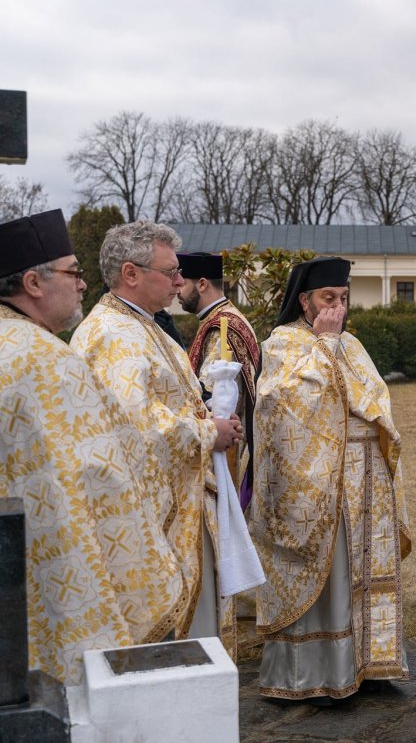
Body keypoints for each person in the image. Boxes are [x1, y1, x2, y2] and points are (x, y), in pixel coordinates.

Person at [0, 210, 184, 685]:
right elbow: (103, 477)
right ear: (33, 283)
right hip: (46, 571)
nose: (83, 285)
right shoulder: (45, 361)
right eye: (73, 273)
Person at [70, 221, 243, 654]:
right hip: (156, 520)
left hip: (181, 500)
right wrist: (209, 431)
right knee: (175, 644)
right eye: (170, 272)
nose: (180, 281)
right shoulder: (112, 335)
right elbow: (137, 427)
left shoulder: (139, 325)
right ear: (131, 273)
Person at [251, 257, 411, 702]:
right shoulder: (284, 343)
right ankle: (319, 674)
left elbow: (375, 394)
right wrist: (325, 345)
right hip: (321, 484)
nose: (337, 308)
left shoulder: (351, 343)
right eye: (328, 298)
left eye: (343, 298)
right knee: (333, 571)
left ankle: (370, 664)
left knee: (364, 572)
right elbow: (284, 403)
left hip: (366, 479)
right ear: (304, 300)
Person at [179, 251, 261, 506]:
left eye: (182, 283)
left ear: (202, 284)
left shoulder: (222, 325)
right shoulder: (222, 319)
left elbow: (210, 396)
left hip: (225, 447)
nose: (177, 290)